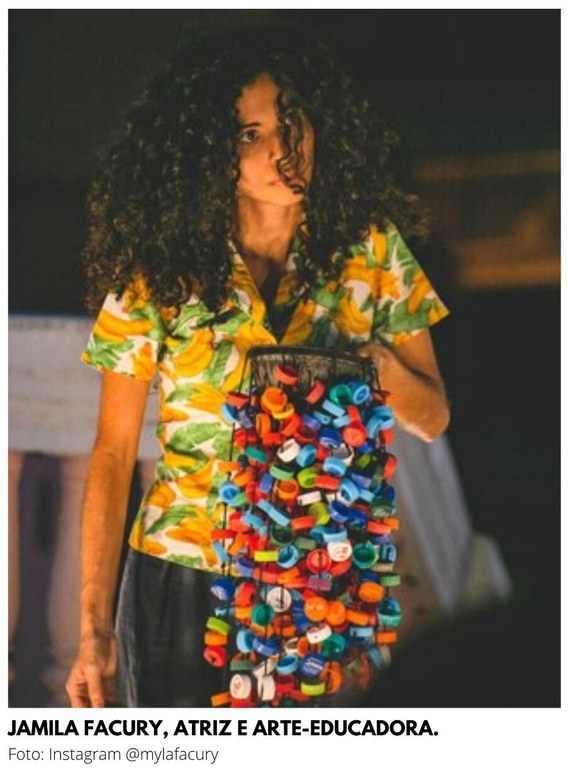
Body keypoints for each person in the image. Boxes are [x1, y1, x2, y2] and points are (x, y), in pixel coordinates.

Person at [65, 26, 450, 708]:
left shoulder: (371, 250)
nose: (282, 148)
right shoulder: (161, 268)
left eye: (293, 120)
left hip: (321, 584)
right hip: (183, 576)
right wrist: (93, 627)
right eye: (250, 133)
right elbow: (113, 452)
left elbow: (434, 415)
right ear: (210, 153)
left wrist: (375, 370)